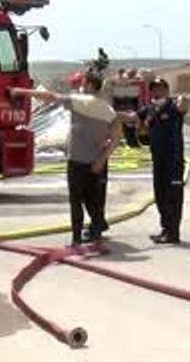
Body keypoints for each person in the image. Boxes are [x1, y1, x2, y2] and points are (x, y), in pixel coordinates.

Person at [12, 73, 121, 245]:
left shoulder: (80, 101)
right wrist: (102, 159)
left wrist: (20, 91)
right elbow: (116, 138)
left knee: (76, 200)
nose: (81, 86)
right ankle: (97, 229)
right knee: (94, 199)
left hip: (78, 161)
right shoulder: (108, 109)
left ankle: (76, 238)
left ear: (91, 86)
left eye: (84, 84)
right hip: (97, 163)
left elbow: (49, 97)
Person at [134, 79, 187, 244]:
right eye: (154, 89)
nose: (157, 92)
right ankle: (165, 228)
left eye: (161, 89)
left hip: (174, 160)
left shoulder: (173, 106)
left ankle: (173, 233)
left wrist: (185, 98)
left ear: (167, 90)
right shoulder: (149, 109)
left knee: (173, 197)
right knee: (160, 196)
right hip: (158, 160)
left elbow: (183, 106)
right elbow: (133, 117)